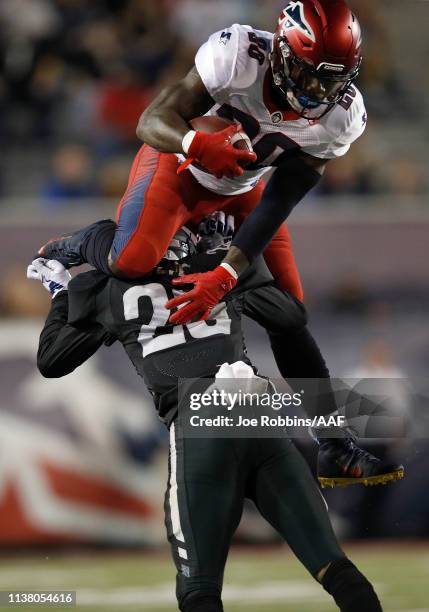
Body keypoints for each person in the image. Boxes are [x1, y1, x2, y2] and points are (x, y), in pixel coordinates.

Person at [37, 0, 404, 487]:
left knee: (289, 312)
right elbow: (151, 119)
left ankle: (334, 445)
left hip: (245, 186)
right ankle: (81, 243)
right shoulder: (236, 56)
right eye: (309, 74)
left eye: (329, 79)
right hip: (182, 168)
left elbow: (280, 199)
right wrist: (192, 143)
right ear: (281, 53)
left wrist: (228, 271)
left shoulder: (341, 117)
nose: (318, 91)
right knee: (133, 259)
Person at [28, 229, 383, 612]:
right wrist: (238, 271)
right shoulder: (221, 262)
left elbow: (52, 360)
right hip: (257, 411)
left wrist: (62, 294)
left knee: (199, 588)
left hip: (197, 416)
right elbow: (290, 316)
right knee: (334, 566)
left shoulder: (104, 287)